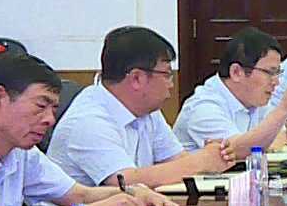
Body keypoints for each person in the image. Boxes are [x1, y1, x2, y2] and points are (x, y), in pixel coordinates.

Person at [0, 53, 174, 206]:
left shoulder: (19, 148)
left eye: (53, 109)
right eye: (40, 106)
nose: (50, 120)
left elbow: (80, 195)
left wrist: (131, 194)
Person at [48, 26, 236, 189]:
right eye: (167, 75)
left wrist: (211, 157)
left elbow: (176, 159)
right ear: (137, 78)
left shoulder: (146, 110)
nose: (171, 84)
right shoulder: (88, 121)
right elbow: (125, 182)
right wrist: (199, 161)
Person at [173, 27, 287, 152]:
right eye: (270, 72)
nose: (276, 82)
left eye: (277, 73)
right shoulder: (203, 106)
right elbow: (234, 152)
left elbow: (280, 137)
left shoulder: (255, 99)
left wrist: (257, 144)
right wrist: (283, 110)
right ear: (236, 72)